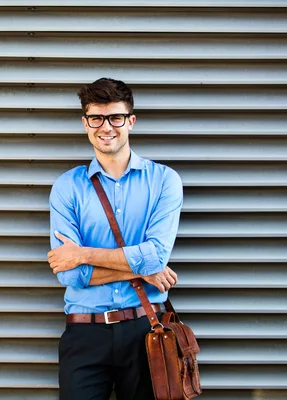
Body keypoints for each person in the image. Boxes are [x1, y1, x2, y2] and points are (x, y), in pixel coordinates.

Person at [47, 77, 183, 400]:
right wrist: (142, 270)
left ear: (130, 121)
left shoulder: (165, 181)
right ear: (85, 123)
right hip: (84, 333)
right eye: (96, 117)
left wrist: (83, 254)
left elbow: (156, 258)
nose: (106, 127)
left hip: (144, 331)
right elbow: (69, 274)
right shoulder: (67, 188)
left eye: (115, 117)